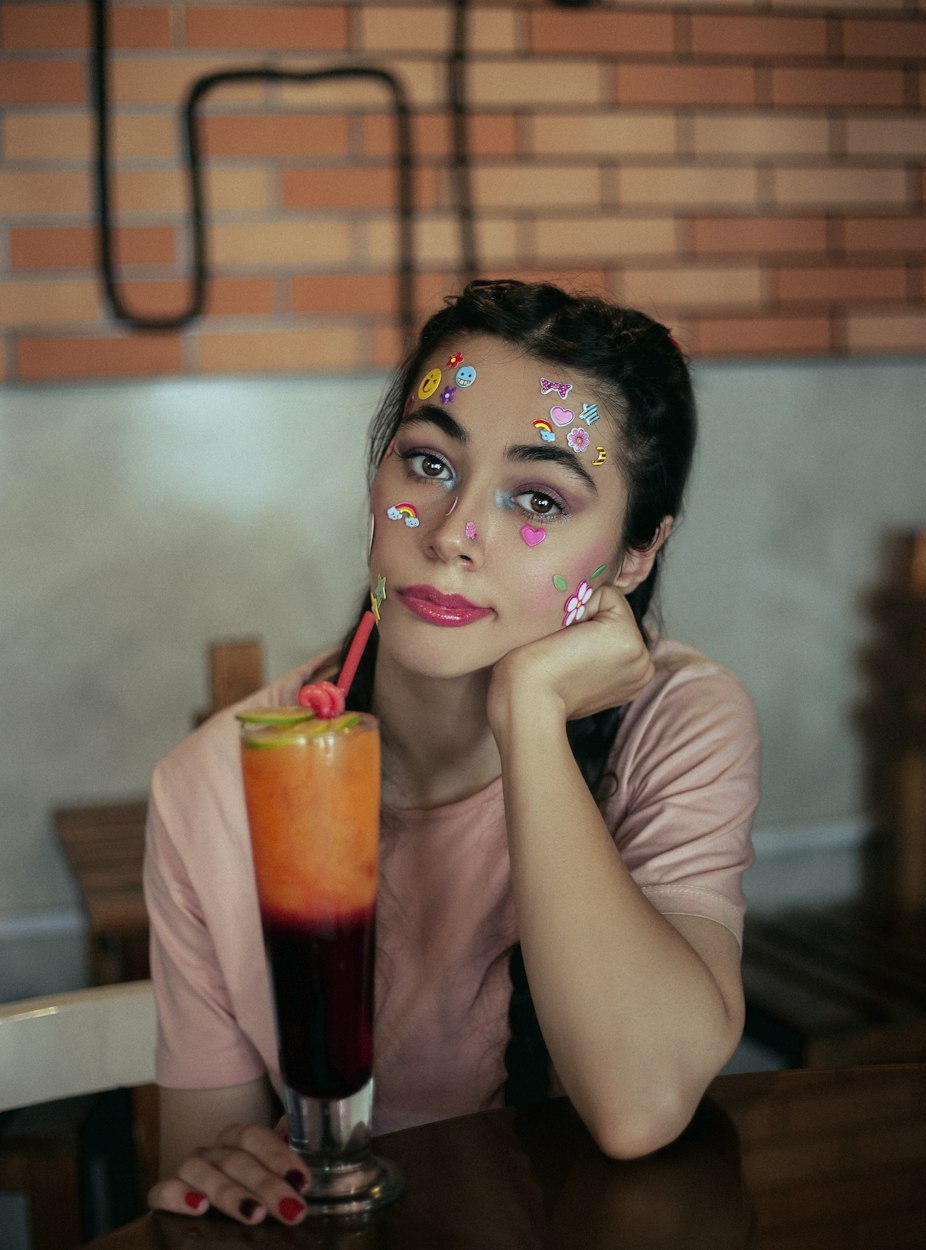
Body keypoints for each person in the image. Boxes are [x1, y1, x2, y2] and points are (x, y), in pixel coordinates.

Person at [144, 279, 759, 1227]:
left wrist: (531, 713)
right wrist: (231, 1176)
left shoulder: (679, 723)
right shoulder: (214, 784)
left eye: (540, 498)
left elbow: (640, 1105)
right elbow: (209, 1186)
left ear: (635, 555)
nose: (451, 536)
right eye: (429, 465)